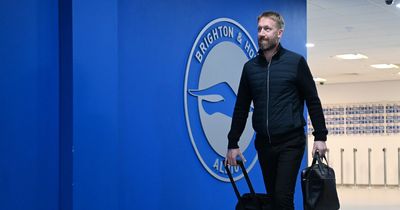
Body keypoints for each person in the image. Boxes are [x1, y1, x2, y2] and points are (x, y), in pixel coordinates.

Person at [225, 11, 328, 210]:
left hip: (291, 142)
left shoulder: (295, 62)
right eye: (259, 29)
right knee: (273, 199)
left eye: (267, 29)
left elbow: (312, 100)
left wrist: (320, 136)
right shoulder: (250, 68)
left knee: (282, 198)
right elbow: (241, 107)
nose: (262, 33)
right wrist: (233, 142)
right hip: (264, 144)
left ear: (279, 33)